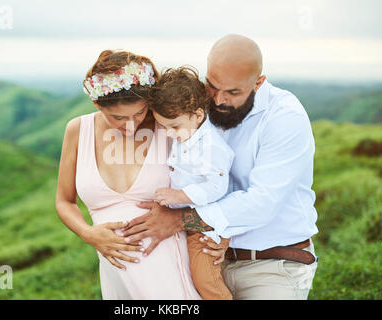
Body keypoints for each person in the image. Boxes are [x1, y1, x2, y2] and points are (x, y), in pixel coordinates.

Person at [122, 34, 319, 300]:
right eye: (212, 86)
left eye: (233, 92)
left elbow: (262, 202)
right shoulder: (198, 109)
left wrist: (179, 220)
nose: (218, 100)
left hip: (272, 265)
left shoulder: (285, 117)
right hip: (209, 257)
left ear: (258, 83)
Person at [55, 50, 201, 300]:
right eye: (118, 118)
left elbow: (218, 197)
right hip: (117, 278)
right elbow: (64, 201)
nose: (131, 125)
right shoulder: (78, 130)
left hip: (170, 271)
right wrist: (87, 233)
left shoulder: (167, 129)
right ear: (97, 104)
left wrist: (181, 219)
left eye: (139, 113)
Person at [147, 66, 234, 300]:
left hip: (204, 225)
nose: (168, 133)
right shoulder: (187, 132)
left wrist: (180, 196)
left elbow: (217, 186)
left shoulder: (211, 146)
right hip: (184, 220)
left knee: (206, 280)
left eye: (173, 126)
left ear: (197, 115)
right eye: (164, 127)